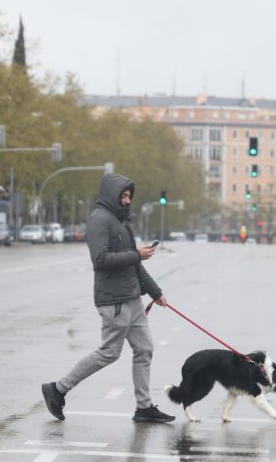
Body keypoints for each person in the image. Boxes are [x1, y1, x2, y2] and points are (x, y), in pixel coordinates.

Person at [42, 173, 175, 423]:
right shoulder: (98, 220)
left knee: (145, 349)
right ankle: (58, 389)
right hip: (114, 301)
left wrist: (156, 292)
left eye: (129, 197)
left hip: (133, 299)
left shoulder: (122, 222)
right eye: (123, 196)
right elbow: (100, 260)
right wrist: (136, 254)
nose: (127, 201)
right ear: (111, 195)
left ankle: (144, 407)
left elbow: (135, 265)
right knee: (109, 353)